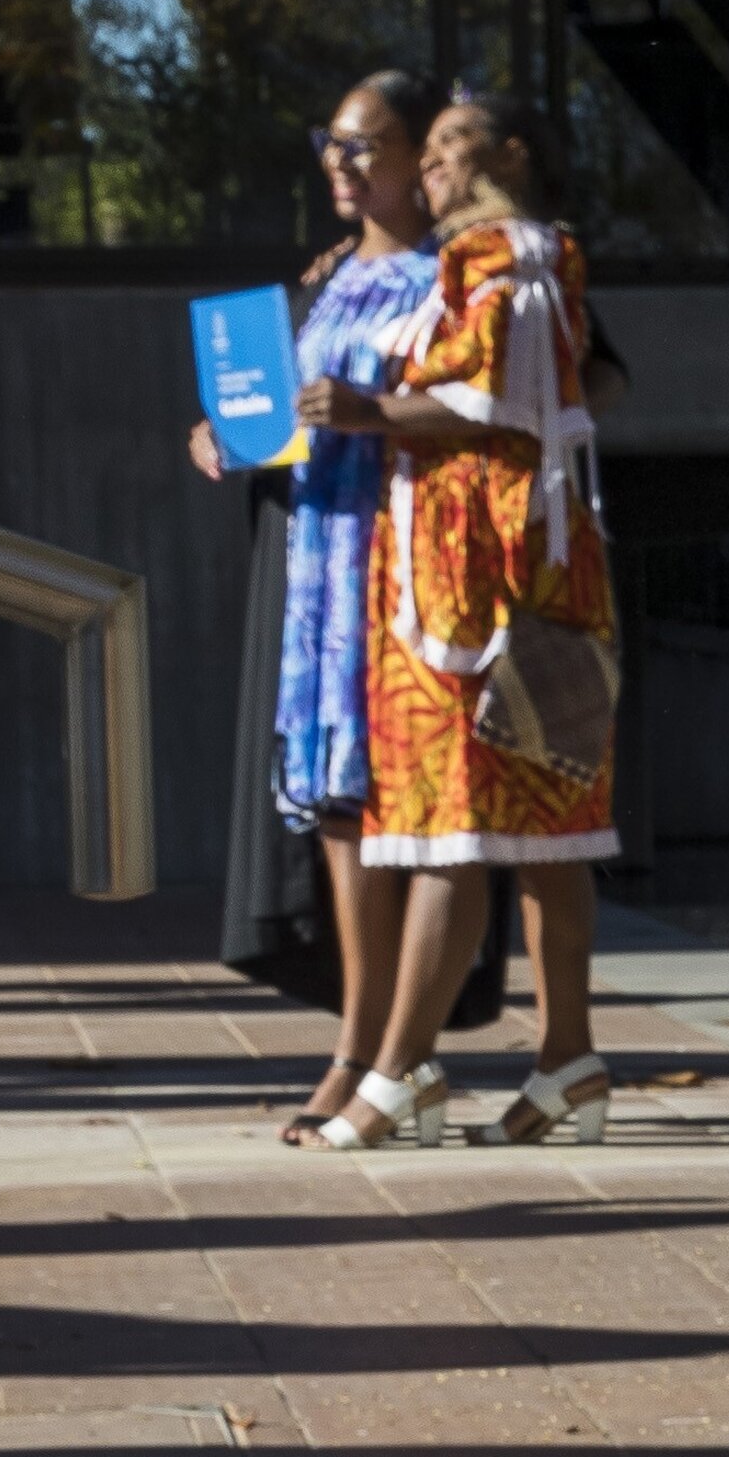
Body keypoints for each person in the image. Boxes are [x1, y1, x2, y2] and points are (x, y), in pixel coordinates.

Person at [303, 87, 619, 1149]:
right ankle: (565, 1057)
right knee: (540, 826)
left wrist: (368, 412)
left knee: (457, 824)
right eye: (425, 146)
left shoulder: (505, 256)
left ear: (513, 152)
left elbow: (500, 406)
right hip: (505, 571)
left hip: (478, 583)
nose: (432, 161)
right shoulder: (495, 261)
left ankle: (394, 1073)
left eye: (451, 142)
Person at [183, 68, 446, 1140]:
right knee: (341, 811)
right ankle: (358, 1046)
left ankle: (399, 1057)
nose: (338, 164)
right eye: (328, 142)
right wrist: (223, 437)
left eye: (362, 146)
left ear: (423, 157)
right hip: (319, 567)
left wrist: (378, 410)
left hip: (411, 563)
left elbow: (530, 396)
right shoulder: (326, 278)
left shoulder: (460, 272)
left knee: (412, 817)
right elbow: (281, 411)